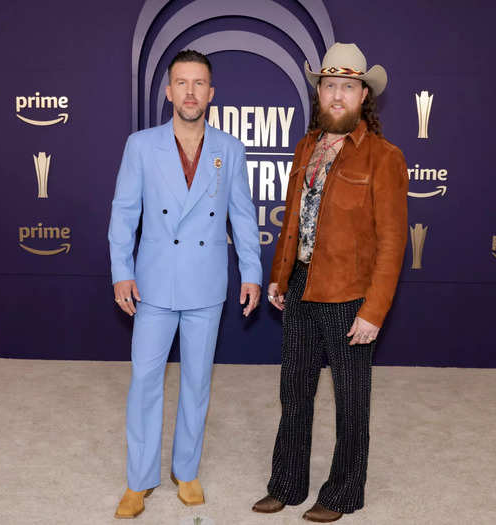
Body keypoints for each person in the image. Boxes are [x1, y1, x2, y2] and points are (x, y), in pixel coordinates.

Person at [252, 43, 408, 522]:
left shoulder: (385, 157)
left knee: (350, 399)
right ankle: (287, 483)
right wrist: (279, 277)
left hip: (351, 295)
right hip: (301, 287)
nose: (337, 96)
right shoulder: (306, 148)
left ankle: (342, 493)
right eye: (329, 86)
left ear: (364, 96)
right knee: (293, 391)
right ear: (318, 93)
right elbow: (293, 223)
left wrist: (373, 311)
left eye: (348, 87)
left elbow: (392, 243)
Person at [109, 49, 262, 519]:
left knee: (196, 382)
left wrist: (252, 272)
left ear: (211, 94)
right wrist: (122, 271)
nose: (190, 92)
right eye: (182, 83)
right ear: (169, 91)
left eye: (199, 84)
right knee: (145, 381)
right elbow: (124, 213)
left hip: (206, 284)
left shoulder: (230, 149)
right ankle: (139, 481)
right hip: (153, 283)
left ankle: (187, 471)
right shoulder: (141, 145)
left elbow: (242, 215)